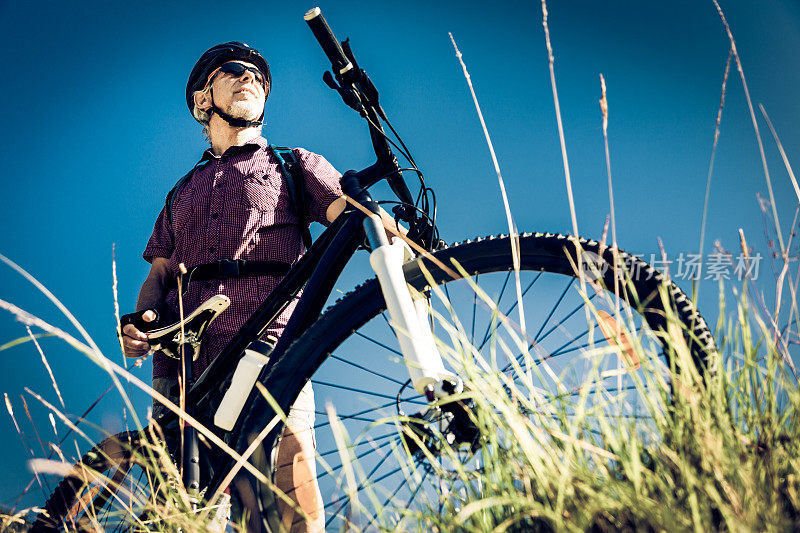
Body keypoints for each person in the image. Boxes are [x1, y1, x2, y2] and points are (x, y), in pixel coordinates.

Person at [120, 41, 346, 532]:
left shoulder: (294, 164)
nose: (250, 78)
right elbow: (158, 275)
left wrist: (393, 239)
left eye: (259, 77)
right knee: (184, 512)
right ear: (203, 100)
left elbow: (347, 215)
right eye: (233, 71)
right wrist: (140, 323)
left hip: (272, 345)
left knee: (289, 504)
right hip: (184, 362)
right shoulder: (180, 192)